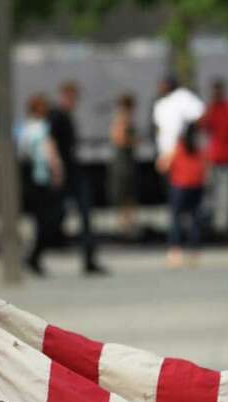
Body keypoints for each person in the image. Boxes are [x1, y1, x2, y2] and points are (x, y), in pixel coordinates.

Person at [48, 81, 107, 275]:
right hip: (63, 172)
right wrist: (56, 168)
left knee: (84, 214)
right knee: (54, 215)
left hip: (72, 170)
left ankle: (89, 258)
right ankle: (34, 254)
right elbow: (50, 143)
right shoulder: (56, 116)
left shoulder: (66, 116)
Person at [21, 93, 66, 275]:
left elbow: (23, 153)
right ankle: (34, 256)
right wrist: (57, 172)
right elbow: (50, 153)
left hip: (32, 178)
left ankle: (34, 257)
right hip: (43, 178)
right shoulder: (42, 129)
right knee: (50, 218)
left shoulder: (24, 128)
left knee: (40, 220)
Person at [163, 122, 207, 267]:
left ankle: (175, 251)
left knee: (176, 218)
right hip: (196, 185)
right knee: (195, 218)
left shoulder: (179, 147)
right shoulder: (198, 148)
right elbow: (205, 165)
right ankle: (194, 251)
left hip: (180, 185)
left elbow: (165, 165)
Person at [202, 77, 228, 233]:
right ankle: (210, 219)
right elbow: (203, 126)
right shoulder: (210, 109)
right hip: (214, 155)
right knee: (212, 191)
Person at [152, 74, 206, 169]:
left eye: (164, 83)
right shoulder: (160, 104)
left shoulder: (182, 96)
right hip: (165, 154)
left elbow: (200, 114)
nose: (161, 86)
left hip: (182, 152)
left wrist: (187, 141)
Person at [108, 93, 139, 236]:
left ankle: (128, 223)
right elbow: (118, 139)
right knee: (122, 193)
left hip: (128, 160)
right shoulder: (120, 121)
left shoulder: (128, 121)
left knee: (129, 194)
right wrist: (132, 140)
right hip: (122, 161)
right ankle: (123, 224)